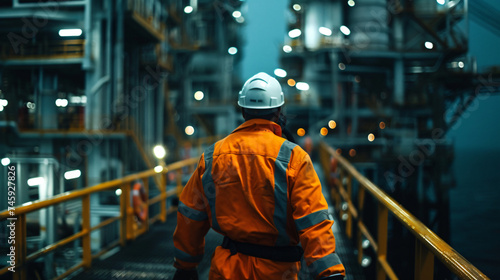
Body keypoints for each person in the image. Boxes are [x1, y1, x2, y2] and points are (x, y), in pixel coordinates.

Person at [172, 72, 345, 280]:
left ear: (243, 111)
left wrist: (185, 266)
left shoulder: (213, 156)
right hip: (278, 272)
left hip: (227, 270)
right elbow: (313, 221)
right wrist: (329, 272)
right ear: (278, 111)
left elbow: (191, 214)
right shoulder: (294, 158)